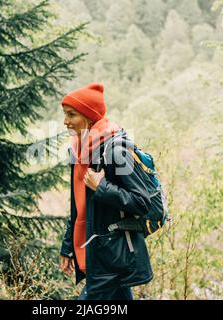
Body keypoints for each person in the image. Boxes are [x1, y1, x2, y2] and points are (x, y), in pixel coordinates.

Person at [58, 83, 153, 300]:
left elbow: (141, 202)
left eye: (71, 114)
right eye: (64, 114)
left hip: (112, 253)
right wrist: (68, 247)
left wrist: (103, 188)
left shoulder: (116, 150)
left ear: (89, 117)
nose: (65, 121)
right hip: (97, 249)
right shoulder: (78, 149)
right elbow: (77, 205)